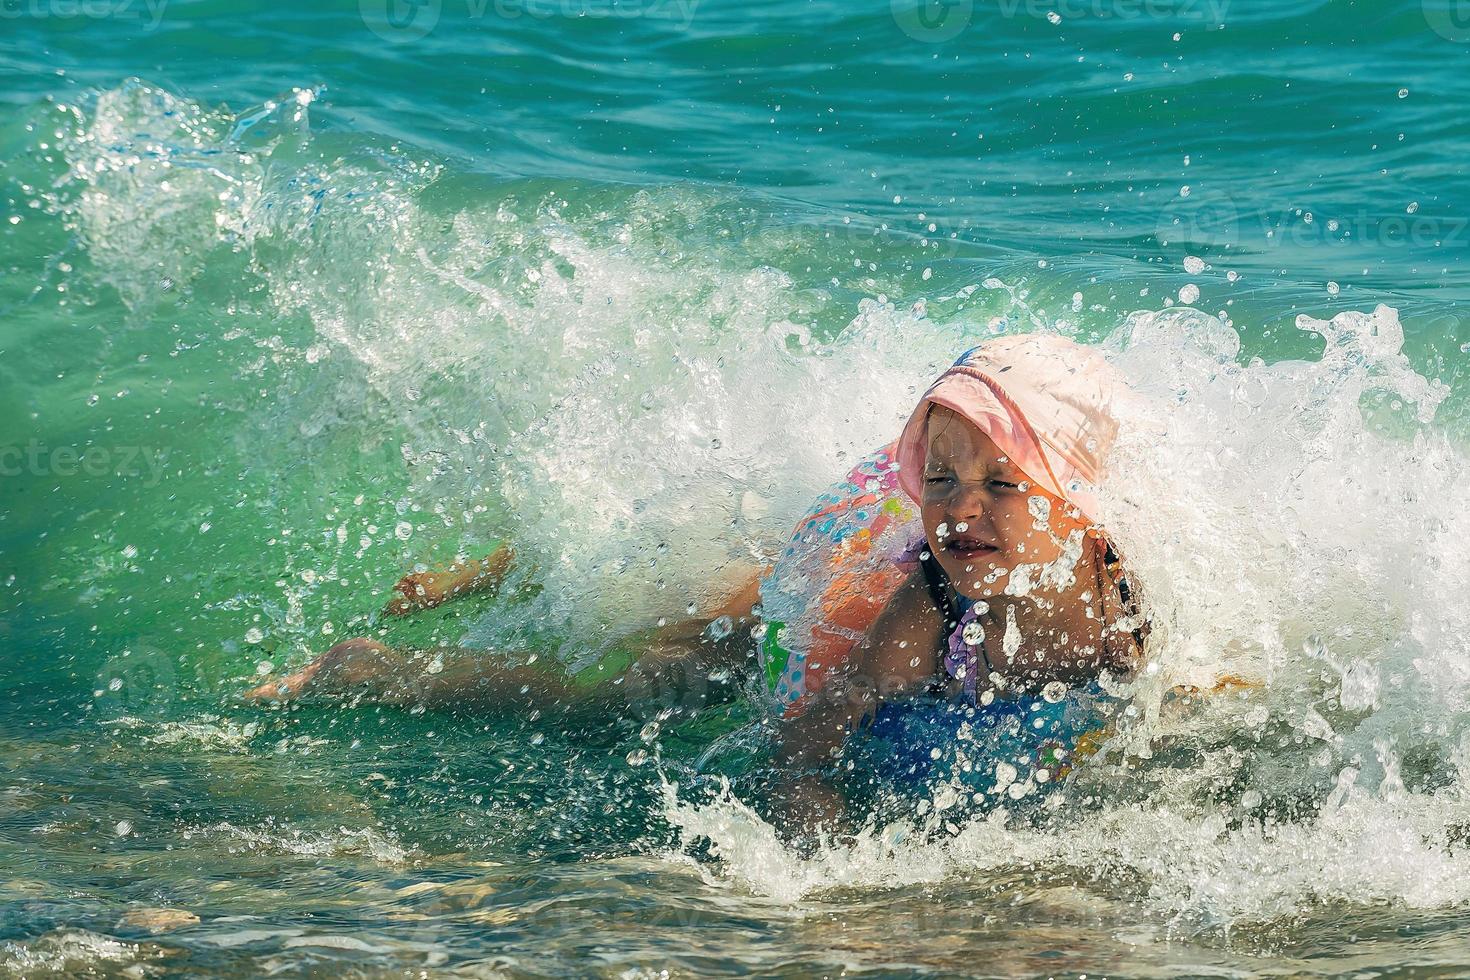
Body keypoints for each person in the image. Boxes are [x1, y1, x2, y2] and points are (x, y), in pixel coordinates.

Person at [246, 335, 1146, 825]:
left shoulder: (1121, 596)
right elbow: (808, 746)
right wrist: (825, 872)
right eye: (941, 480)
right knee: (624, 697)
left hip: (871, 537)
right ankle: (369, 663)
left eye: (1002, 485)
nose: (960, 512)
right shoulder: (927, 593)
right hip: (838, 568)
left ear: (1075, 501)